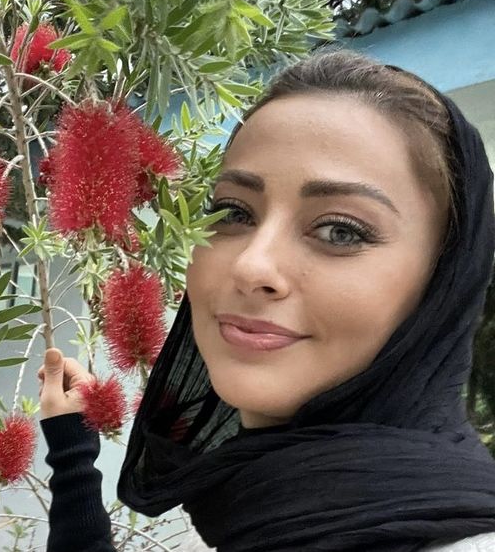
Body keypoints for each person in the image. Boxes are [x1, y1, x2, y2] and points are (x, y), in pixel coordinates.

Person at [39, 49, 495, 552]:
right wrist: (71, 448)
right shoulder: (246, 507)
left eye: (341, 230)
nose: (251, 266)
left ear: (445, 282)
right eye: (234, 213)